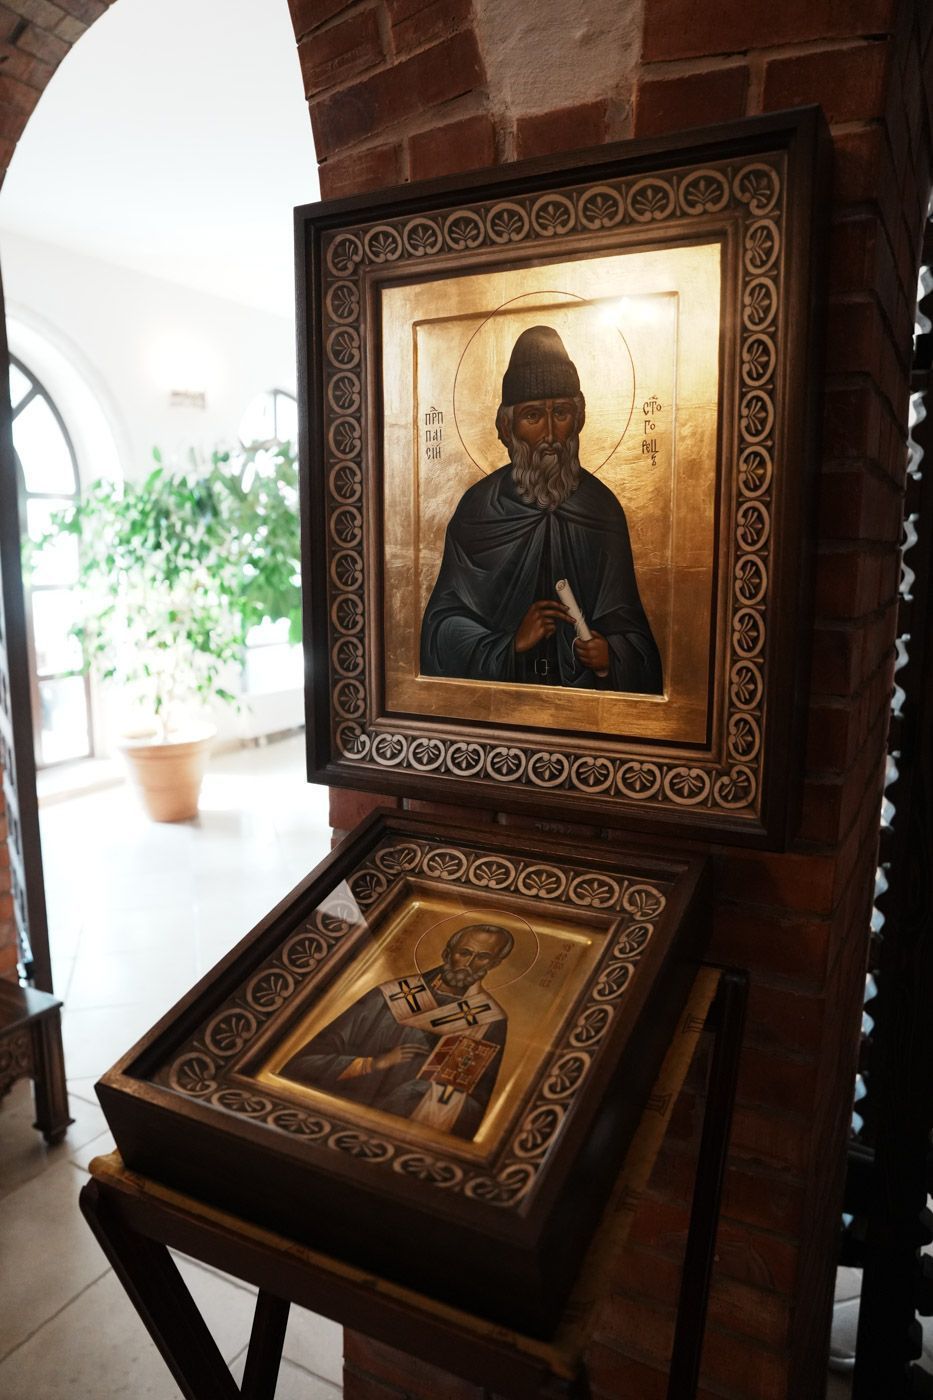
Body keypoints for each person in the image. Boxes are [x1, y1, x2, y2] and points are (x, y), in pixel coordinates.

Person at [420, 324, 662, 693]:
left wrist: (612, 655)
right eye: (533, 416)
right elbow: (442, 631)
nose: (549, 434)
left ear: (578, 419)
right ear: (507, 427)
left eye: (560, 413)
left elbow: (633, 631)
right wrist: (510, 645)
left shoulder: (601, 508)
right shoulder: (480, 510)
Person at [280, 924, 513, 1140]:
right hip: (336, 1120)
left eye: (483, 957)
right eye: (464, 952)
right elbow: (304, 1064)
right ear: (447, 953)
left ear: (494, 964)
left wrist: (422, 1095)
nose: (469, 963)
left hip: (403, 1134)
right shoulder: (388, 996)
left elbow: (475, 1103)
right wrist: (373, 1064)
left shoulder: (488, 1019)